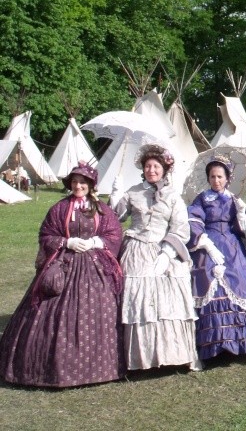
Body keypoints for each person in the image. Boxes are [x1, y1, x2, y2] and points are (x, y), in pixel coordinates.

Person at [0, 162, 124, 387]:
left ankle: (100, 368)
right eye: (75, 182)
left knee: (101, 308)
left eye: (83, 182)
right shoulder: (59, 208)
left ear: (90, 185)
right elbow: (46, 234)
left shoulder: (101, 209)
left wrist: (95, 242)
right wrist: (67, 241)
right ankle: (45, 367)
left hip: (94, 265)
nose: (78, 186)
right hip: (64, 264)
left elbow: (114, 233)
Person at [112, 144, 200, 371]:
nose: (152, 170)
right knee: (139, 301)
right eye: (148, 166)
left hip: (163, 250)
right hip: (137, 249)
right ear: (143, 169)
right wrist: (115, 197)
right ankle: (143, 359)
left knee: (168, 301)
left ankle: (174, 355)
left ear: (164, 169)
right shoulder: (133, 192)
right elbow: (116, 218)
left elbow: (181, 228)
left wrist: (168, 253)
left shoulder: (173, 196)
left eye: (156, 166)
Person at [186, 155, 246, 360]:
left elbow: (241, 228)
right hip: (209, 243)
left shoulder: (233, 199)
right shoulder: (202, 198)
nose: (216, 180)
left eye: (220, 177)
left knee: (240, 282)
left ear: (227, 179)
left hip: (232, 245)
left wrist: (242, 213)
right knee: (209, 281)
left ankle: (237, 343)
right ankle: (214, 345)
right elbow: (193, 220)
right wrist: (205, 243)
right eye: (212, 176)